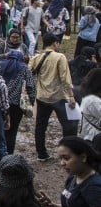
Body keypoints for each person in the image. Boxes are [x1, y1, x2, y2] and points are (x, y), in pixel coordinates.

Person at [31, 32, 77, 162]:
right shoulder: (60, 57)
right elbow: (65, 78)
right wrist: (71, 96)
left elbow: (30, 73)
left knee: (40, 126)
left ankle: (41, 153)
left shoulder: (37, 57)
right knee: (68, 125)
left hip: (42, 96)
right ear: (55, 43)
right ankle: (68, 151)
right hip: (59, 96)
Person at [0, 48, 36, 154]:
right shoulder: (24, 68)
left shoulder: (0, 66)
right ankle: (9, 155)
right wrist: (31, 101)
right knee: (12, 131)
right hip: (16, 105)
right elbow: (30, 86)